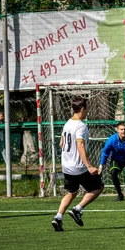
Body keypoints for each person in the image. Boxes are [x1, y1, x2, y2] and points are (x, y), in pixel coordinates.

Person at [51, 97, 103, 232]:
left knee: (72, 192)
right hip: (78, 167)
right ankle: (77, 209)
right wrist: (89, 166)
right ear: (82, 109)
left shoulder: (67, 123)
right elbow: (80, 145)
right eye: (87, 109)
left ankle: (58, 217)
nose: (87, 112)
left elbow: (61, 143)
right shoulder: (81, 126)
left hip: (66, 166)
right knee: (98, 187)